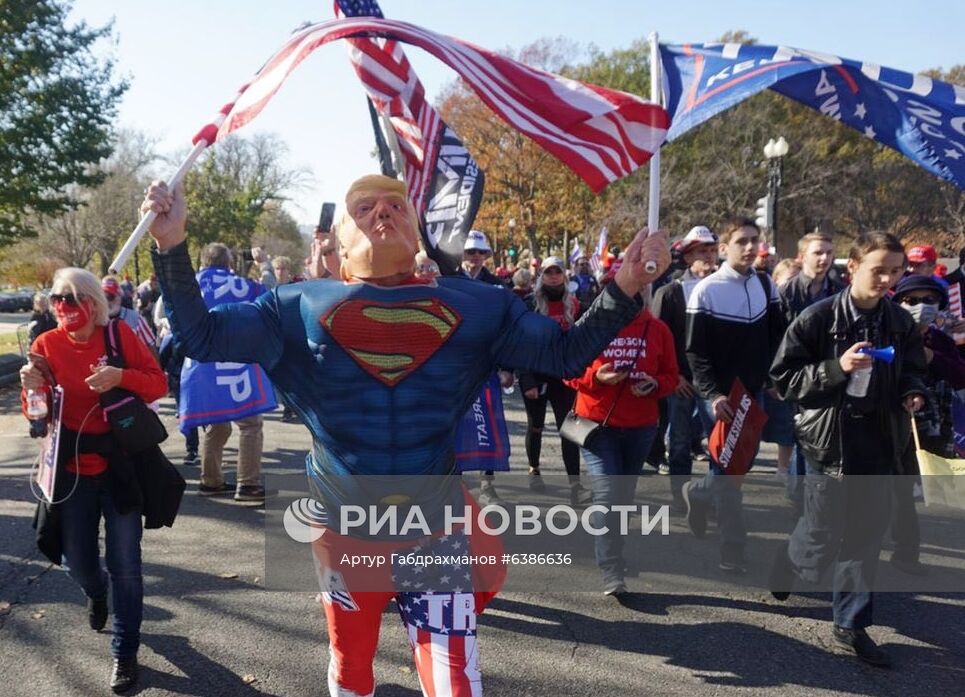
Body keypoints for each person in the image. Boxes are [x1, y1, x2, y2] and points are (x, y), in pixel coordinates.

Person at [142, 173, 669, 697]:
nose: (382, 212)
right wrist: (170, 244)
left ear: (416, 238)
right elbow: (200, 335)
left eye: (396, 204)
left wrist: (622, 287)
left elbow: (564, 354)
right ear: (340, 248)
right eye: (363, 207)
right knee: (352, 667)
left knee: (453, 683)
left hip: (435, 532)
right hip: (344, 532)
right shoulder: (292, 308)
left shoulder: (478, 306)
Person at [769, 231, 927, 668]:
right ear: (853, 266)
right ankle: (789, 558)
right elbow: (784, 379)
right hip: (829, 442)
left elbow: (914, 367)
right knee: (819, 536)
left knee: (866, 534)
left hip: (880, 440)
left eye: (895, 271)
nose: (887, 279)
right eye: (879, 269)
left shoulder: (899, 321)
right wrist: (835, 368)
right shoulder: (818, 318)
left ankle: (851, 625)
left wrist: (913, 392)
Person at [19, 268, 169, 693]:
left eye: (72, 298)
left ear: (93, 303)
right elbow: (37, 415)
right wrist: (30, 388)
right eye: (56, 298)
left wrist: (121, 377)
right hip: (71, 473)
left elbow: (158, 383)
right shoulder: (45, 346)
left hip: (120, 466)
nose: (64, 306)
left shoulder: (119, 338)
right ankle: (95, 591)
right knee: (78, 562)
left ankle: (125, 653)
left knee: (127, 566)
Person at [682, 217, 787, 574]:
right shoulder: (706, 290)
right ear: (723, 248)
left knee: (739, 465)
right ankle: (733, 547)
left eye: (754, 240)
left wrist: (774, 376)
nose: (750, 247)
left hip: (754, 392)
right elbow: (695, 352)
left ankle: (698, 493)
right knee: (728, 469)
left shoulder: (765, 284)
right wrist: (711, 394)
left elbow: (778, 336)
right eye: (741, 240)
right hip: (721, 396)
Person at [566, 290, 678, 594]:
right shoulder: (591, 325)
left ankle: (616, 552)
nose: (633, 297)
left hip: (640, 427)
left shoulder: (658, 329)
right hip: (596, 426)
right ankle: (611, 569)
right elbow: (567, 371)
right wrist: (596, 378)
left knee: (623, 496)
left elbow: (671, 375)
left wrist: (656, 384)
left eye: (640, 292)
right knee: (608, 494)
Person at [889, 274, 965, 575]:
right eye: (912, 300)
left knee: (903, 490)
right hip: (888, 422)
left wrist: (933, 357)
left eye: (929, 300)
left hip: (929, 428)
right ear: (899, 304)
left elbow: (960, 375)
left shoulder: (941, 340)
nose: (921, 306)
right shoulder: (888, 334)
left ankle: (906, 554)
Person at [193, 242, 270, 502]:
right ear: (228, 264)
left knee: (216, 422)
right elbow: (271, 295)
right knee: (250, 423)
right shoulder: (241, 285)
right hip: (238, 361)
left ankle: (210, 480)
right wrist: (264, 265)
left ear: (203, 263)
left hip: (204, 363)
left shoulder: (191, 285)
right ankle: (247, 484)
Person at [651, 225, 718, 512]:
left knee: (720, 444)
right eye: (702, 251)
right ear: (688, 257)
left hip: (716, 383)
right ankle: (680, 497)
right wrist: (673, 375)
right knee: (679, 441)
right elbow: (656, 340)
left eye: (713, 250)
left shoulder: (726, 289)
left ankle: (711, 495)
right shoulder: (670, 292)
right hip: (681, 380)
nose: (709, 256)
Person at [518, 257, 592, 505]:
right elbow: (520, 344)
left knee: (570, 430)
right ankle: (533, 469)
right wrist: (525, 378)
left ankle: (575, 485)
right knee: (535, 426)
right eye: (548, 272)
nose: (553, 276)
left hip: (566, 377)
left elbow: (584, 343)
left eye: (557, 272)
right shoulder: (530, 304)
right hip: (537, 373)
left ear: (564, 275)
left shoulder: (576, 304)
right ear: (541, 275)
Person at [778, 233, 844, 495]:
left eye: (829, 252)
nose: (824, 258)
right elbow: (776, 337)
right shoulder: (786, 293)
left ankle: (810, 497)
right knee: (797, 434)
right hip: (795, 375)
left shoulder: (840, 292)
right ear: (801, 257)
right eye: (818, 252)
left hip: (829, 374)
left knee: (820, 437)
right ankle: (797, 494)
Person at [102, 277, 156, 350]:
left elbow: (151, 348)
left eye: (110, 297)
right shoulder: (96, 322)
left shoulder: (136, 319)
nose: (107, 302)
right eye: (103, 298)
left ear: (119, 296)